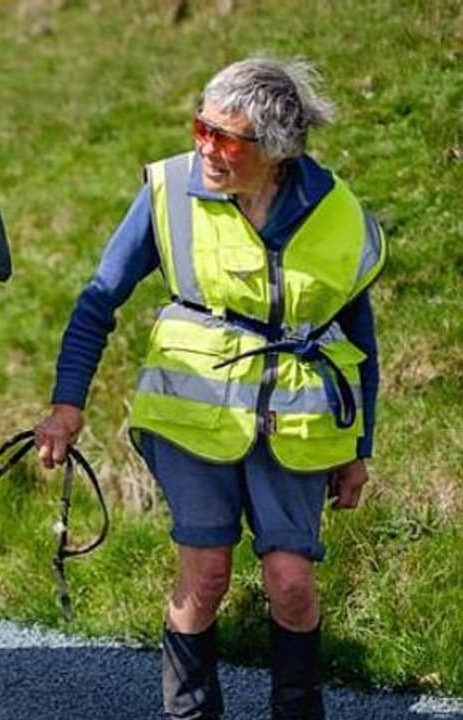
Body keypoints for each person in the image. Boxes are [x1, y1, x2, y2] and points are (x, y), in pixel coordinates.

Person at [34, 56, 383, 720]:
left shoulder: (338, 210)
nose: (206, 148)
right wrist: (66, 405)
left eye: (226, 138)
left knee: (292, 584)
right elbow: (97, 301)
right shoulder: (168, 190)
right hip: (192, 419)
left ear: (276, 152)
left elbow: (360, 339)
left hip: (298, 424)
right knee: (207, 575)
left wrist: (359, 444)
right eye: (202, 128)